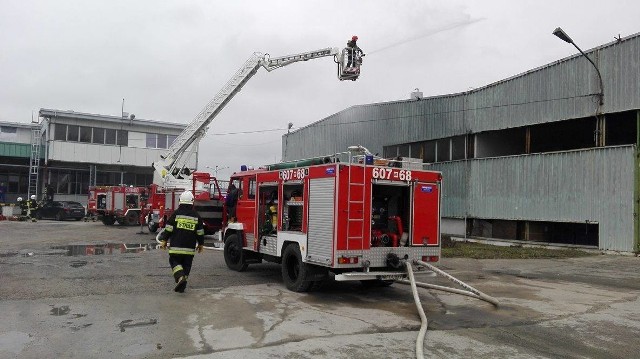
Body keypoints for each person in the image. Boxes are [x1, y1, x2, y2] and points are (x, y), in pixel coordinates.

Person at [158, 191, 205, 293]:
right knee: (186, 266)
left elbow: (169, 229)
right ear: (192, 202)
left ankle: (180, 278)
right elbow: (200, 232)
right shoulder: (196, 216)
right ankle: (182, 286)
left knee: (174, 262)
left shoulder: (176, 214)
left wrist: (164, 240)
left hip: (176, 247)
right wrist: (201, 244)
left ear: (180, 201)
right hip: (189, 249)